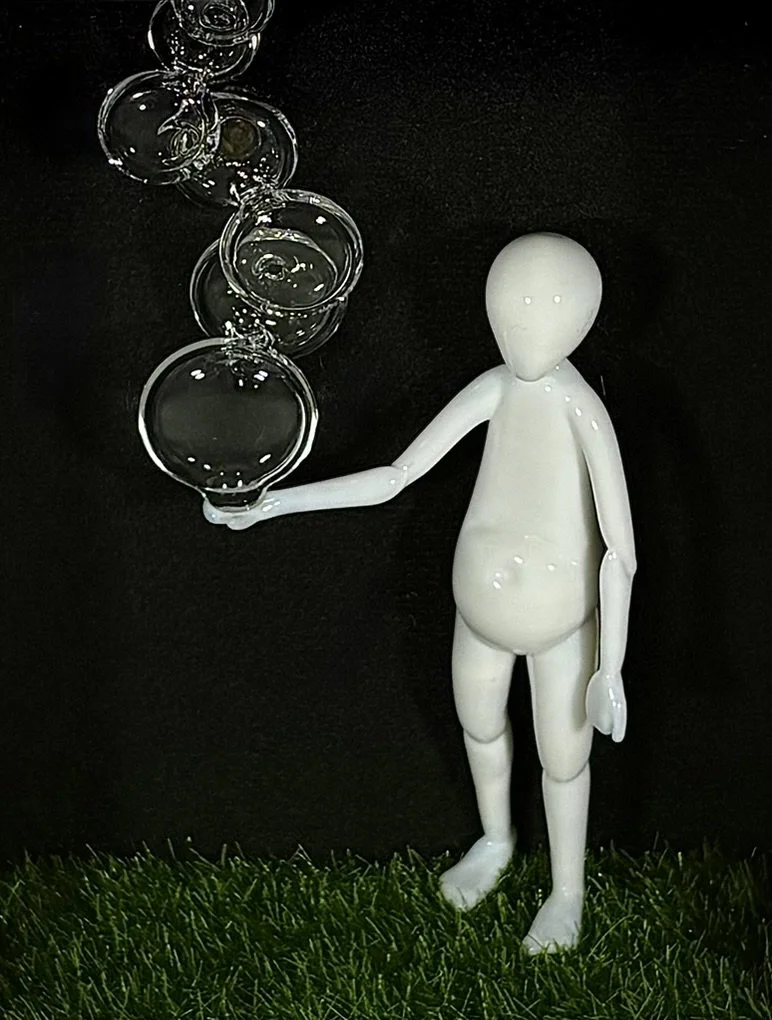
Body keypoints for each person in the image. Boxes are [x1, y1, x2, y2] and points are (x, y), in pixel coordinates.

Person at [205, 232, 637, 953]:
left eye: (544, 314)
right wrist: (275, 503)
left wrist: (610, 667)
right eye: (511, 314)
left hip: (562, 624)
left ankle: (568, 892)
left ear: (581, 321)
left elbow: (621, 552)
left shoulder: (581, 407)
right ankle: (496, 840)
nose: (524, 332)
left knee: (564, 761)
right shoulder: (494, 387)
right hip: (479, 616)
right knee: (481, 728)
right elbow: (396, 475)